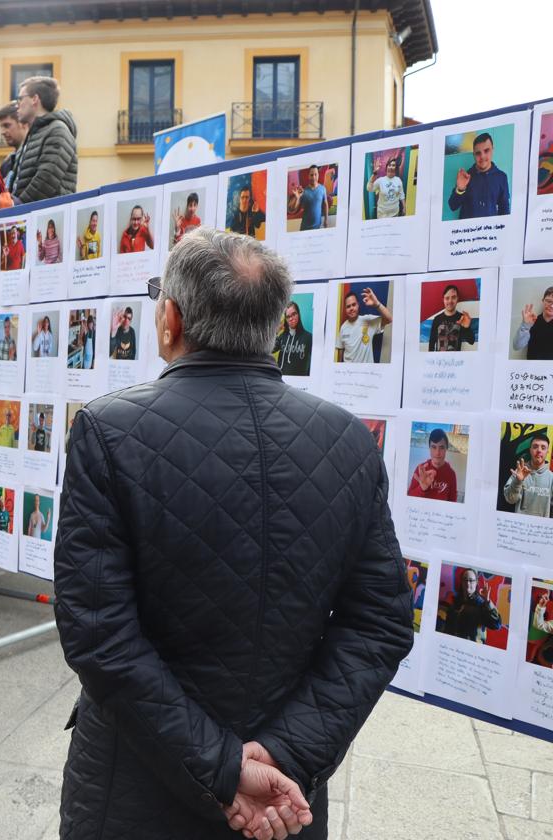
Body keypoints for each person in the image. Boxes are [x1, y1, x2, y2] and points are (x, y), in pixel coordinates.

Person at [55, 227, 411, 840]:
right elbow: (378, 625)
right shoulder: (349, 440)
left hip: (136, 785)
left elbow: (100, 637)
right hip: (283, 801)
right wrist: (279, 756)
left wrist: (227, 768)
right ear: (273, 326)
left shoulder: (108, 432)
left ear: (169, 319)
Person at [11, 75, 78, 204]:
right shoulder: (34, 134)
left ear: (35, 99)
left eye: (20, 99)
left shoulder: (58, 130)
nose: (17, 105)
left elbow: (47, 177)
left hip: (48, 218)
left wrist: (19, 205)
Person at [447, 132, 510, 219]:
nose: (482, 156)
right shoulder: (465, 177)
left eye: (486, 151)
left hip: (490, 231)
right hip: (466, 231)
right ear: (473, 155)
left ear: (492, 150)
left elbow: (505, 210)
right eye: (478, 153)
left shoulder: (501, 177)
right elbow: (452, 206)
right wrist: (460, 189)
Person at [438, 568, 502, 644]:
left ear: (476, 582)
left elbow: (497, 625)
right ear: (461, 582)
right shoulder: (455, 604)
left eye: (471, 580)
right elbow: (448, 629)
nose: (468, 583)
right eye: (465, 580)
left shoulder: (482, 604)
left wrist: (488, 602)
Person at [337, 287, 392, 363]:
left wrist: (376, 304)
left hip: (366, 372)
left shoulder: (368, 320)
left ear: (358, 305)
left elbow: (389, 319)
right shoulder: (343, 327)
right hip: (348, 371)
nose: (351, 308)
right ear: (345, 309)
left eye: (353, 305)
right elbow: (340, 349)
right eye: (348, 306)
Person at [503, 431, 552, 518]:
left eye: (543, 447)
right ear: (530, 450)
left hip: (541, 529)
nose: (539, 450)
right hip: (520, 526)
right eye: (535, 446)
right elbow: (510, 499)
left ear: (547, 451)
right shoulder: (519, 471)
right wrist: (518, 481)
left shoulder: (551, 478)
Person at [407, 427, 459, 503]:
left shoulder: (451, 474)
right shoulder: (421, 469)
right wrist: (422, 488)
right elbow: (409, 498)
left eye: (441, 447)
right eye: (434, 447)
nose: (437, 452)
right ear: (429, 448)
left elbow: (453, 502)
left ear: (446, 449)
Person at [428, 284, 475, 352]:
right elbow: (431, 343)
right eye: (447, 298)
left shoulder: (462, 318)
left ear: (457, 299)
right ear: (443, 300)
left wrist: (467, 328)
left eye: (453, 297)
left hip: (456, 361)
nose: (450, 301)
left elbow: (471, 341)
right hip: (439, 361)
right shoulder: (437, 319)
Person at [0, 101, 29, 193]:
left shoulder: (33, 157)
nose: (2, 132)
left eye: (7, 125)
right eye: (1, 127)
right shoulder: (7, 163)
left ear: (23, 123)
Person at [513, 285, 553, 361]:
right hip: (532, 371)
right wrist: (525, 326)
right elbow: (517, 346)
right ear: (543, 301)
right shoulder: (532, 321)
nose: (551, 306)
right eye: (549, 301)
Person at [273, 302, 312, 376]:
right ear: (286, 319)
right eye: (288, 317)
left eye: (294, 314)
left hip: (300, 382)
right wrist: (276, 331)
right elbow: (270, 349)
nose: (291, 319)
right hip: (282, 381)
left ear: (298, 314)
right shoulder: (282, 337)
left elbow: (313, 363)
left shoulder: (308, 337)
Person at [288, 165, 329, 231]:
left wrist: (326, 220)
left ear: (318, 174)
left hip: (317, 228)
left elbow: (325, 204)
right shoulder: (304, 191)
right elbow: (292, 209)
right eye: (311, 175)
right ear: (308, 176)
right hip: (304, 229)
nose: (314, 177)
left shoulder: (323, 189)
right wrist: (297, 198)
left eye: (315, 174)